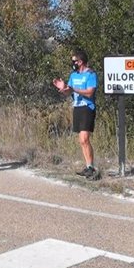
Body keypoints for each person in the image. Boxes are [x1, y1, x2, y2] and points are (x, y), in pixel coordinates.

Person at [52, 49, 100, 180]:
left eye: (74, 61)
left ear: (81, 61)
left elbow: (90, 92)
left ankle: (91, 168)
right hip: (77, 108)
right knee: (81, 141)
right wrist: (62, 89)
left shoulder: (90, 74)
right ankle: (88, 166)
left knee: (85, 138)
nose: (73, 63)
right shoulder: (74, 75)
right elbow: (69, 92)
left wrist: (74, 89)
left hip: (87, 107)